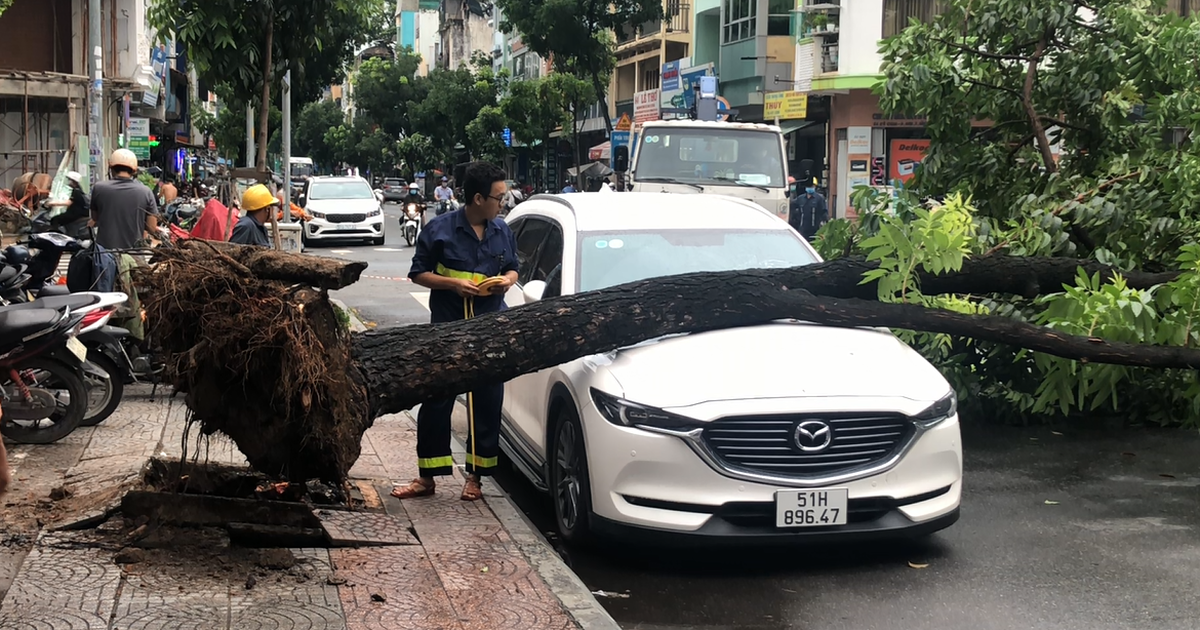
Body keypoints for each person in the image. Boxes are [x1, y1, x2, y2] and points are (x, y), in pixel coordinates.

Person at [394, 161, 518, 502]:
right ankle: (428, 477)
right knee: (436, 401)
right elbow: (418, 273)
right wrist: (452, 284)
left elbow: (512, 268)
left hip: (489, 329)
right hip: (447, 331)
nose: (502, 203)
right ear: (478, 198)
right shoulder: (439, 230)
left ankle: (475, 478)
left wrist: (506, 281)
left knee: (486, 403)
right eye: (498, 197)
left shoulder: (501, 230)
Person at [90, 148, 159, 250]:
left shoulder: (98, 188)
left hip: (104, 255)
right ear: (134, 170)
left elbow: (95, 218)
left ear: (111, 168)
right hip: (134, 254)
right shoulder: (145, 191)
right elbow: (152, 228)